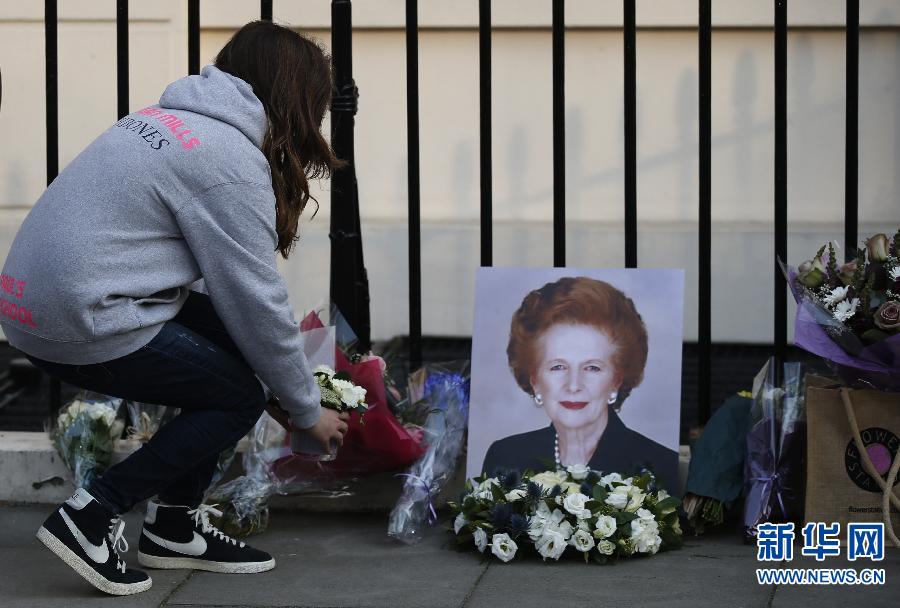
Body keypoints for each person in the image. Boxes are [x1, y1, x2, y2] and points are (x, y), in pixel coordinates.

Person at [0, 22, 350, 596]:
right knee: (235, 395)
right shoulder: (227, 159)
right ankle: (92, 516)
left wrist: (285, 386)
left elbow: (241, 314)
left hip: (41, 303)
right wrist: (306, 409)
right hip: (80, 317)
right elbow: (256, 301)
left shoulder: (166, 120)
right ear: (294, 95)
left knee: (236, 362)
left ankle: (174, 528)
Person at [480, 276, 678, 490]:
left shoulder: (660, 465)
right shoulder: (506, 457)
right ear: (535, 381)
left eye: (592, 368)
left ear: (616, 381)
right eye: (558, 367)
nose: (573, 385)